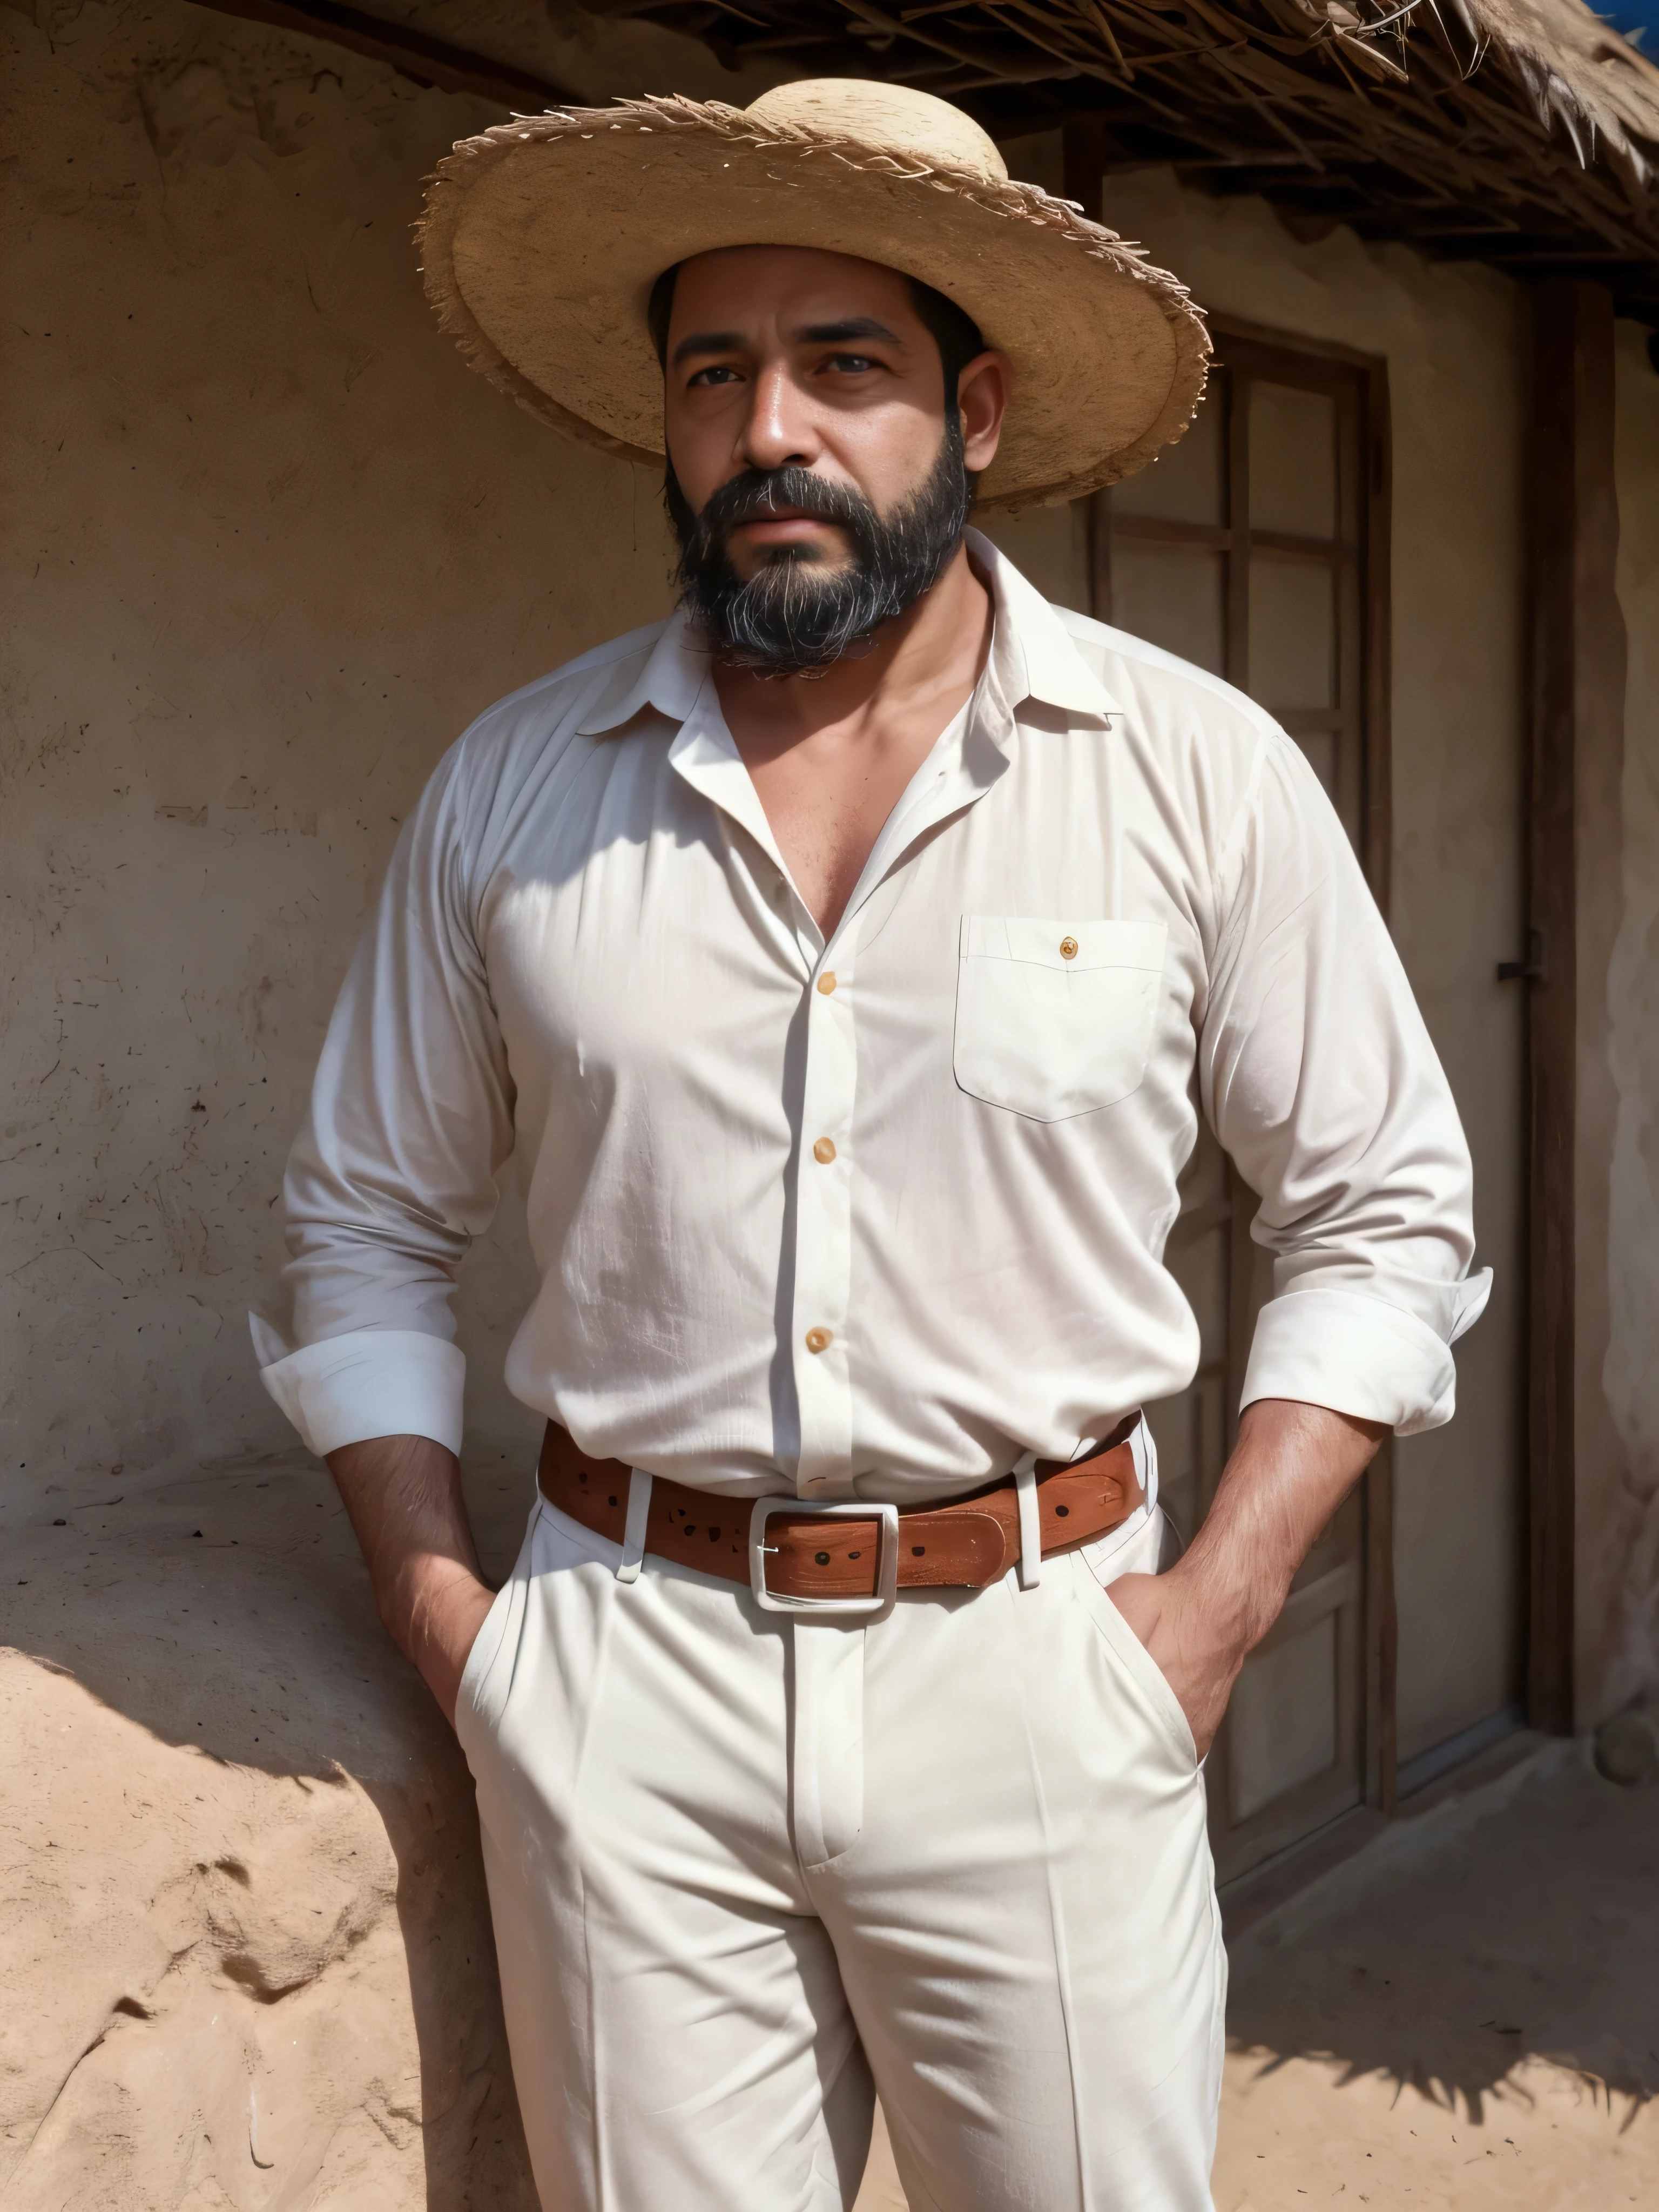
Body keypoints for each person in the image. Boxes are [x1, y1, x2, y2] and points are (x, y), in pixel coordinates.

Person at [252, 78, 1488, 2212]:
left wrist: (1206, 1616)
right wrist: (454, 1619)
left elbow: (1383, 1208)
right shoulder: (518, 790)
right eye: (716, 373)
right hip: (618, 1678)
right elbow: (362, 1214)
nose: (771, 435)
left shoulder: (1189, 774)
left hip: (1044, 1668)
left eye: (846, 365)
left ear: (977, 408)